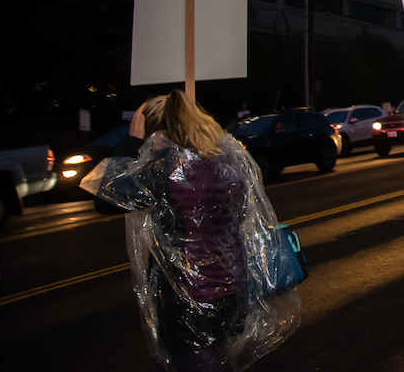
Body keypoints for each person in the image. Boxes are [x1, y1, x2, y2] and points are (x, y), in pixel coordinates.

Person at [81, 90, 299, 371]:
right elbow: (241, 214)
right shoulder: (226, 161)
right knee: (215, 358)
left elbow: (106, 197)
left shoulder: (164, 169)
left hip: (187, 298)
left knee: (195, 363)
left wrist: (131, 141)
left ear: (156, 132)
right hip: (230, 288)